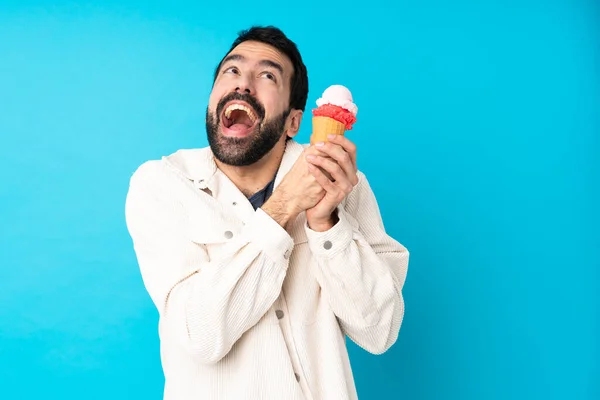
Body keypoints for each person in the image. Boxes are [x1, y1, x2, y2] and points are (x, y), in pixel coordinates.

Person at [125, 25, 409, 400]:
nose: (243, 84)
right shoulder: (162, 185)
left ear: (294, 122)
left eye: (267, 75)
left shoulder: (341, 184)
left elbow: (379, 331)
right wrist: (284, 206)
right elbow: (199, 335)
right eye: (232, 70)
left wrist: (326, 226)